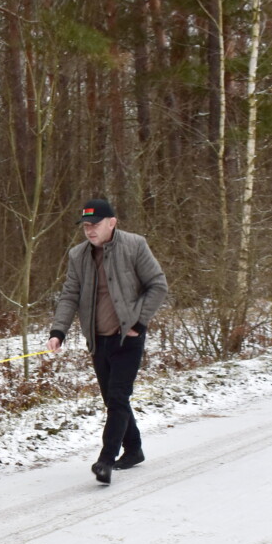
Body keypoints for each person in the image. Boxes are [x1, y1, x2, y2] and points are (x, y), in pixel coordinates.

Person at [47, 198, 168, 485]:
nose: (90, 231)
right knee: (114, 400)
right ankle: (134, 449)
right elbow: (69, 295)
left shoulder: (135, 245)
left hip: (129, 336)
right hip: (98, 340)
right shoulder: (78, 256)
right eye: (86, 226)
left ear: (112, 223)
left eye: (95, 225)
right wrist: (58, 331)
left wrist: (140, 322)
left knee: (117, 398)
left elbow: (158, 285)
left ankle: (105, 460)